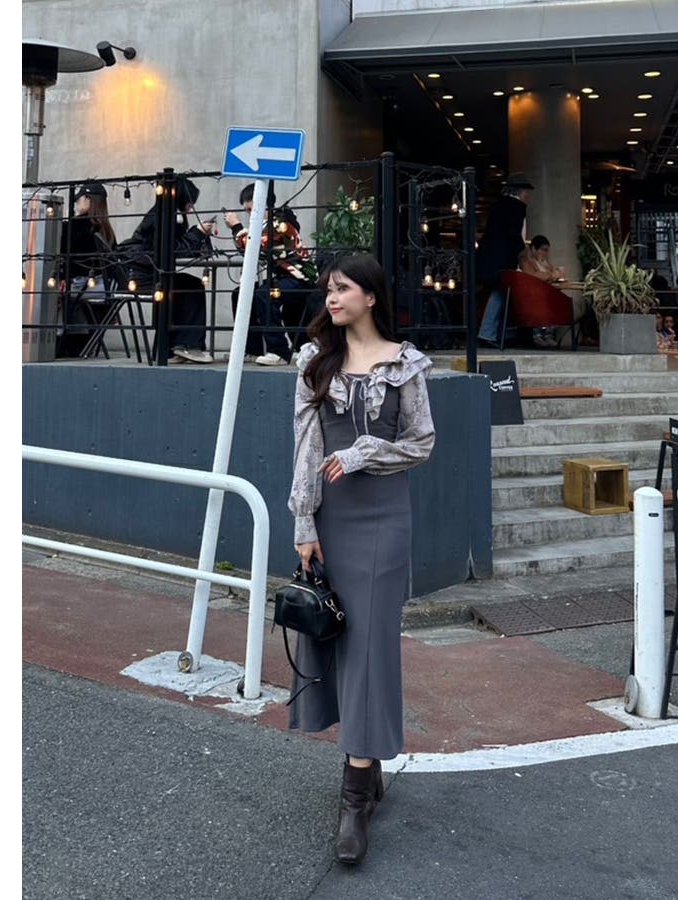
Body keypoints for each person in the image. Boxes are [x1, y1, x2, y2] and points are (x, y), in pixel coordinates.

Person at [287, 253, 435, 865]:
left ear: (370, 296)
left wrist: (365, 452)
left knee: (371, 645)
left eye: (343, 288)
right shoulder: (314, 361)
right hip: (330, 520)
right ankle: (365, 767)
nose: (332, 297)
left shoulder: (405, 364)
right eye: (328, 289)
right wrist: (303, 520)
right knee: (337, 639)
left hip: (383, 519)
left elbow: (421, 443)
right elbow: (305, 445)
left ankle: (354, 800)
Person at [117, 175, 215, 363]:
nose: (191, 208)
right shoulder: (164, 217)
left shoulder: (166, 214)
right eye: (190, 202)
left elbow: (173, 247)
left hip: (144, 272)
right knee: (190, 286)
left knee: (185, 285)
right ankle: (185, 345)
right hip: (142, 276)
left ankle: (173, 348)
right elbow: (171, 249)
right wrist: (197, 233)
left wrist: (199, 235)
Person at [224, 184, 318, 366]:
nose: (250, 215)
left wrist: (236, 227)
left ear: (265, 205)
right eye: (247, 211)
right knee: (241, 293)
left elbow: (257, 248)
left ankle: (279, 351)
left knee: (264, 294)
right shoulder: (266, 225)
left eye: (252, 209)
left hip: (300, 278)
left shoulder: (281, 224)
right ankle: (252, 349)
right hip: (283, 278)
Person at [57, 182, 116, 358]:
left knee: (50, 290)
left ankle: (57, 339)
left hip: (84, 287)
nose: (76, 203)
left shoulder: (75, 226)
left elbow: (65, 259)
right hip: (106, 288)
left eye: (79, 198)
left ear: (88, 199)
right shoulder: (106, 229)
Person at [475, 172, 534, 347]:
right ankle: (489, 333)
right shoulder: (518, 207)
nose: (528, 195)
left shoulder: (497, 205)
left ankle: (491, 332)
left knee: (496, 292)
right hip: (503, 259)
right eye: (527, 192)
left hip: (488, 258)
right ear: (521, 191)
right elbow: (514, 234)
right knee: (501, 293)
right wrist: (522, 251)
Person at [518, 234, 567, 348]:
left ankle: (548, 334)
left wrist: (557, 275)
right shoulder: (525, 260)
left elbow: (552, 273)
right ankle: (538, 334)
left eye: (547, 251)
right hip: (532, 295)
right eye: (543, 250)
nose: (545, 253)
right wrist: (551, 275)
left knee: (555, 301)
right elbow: (531, 276)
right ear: (534, 249)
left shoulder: (544, 262)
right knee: (543, 303)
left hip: (546, 293)